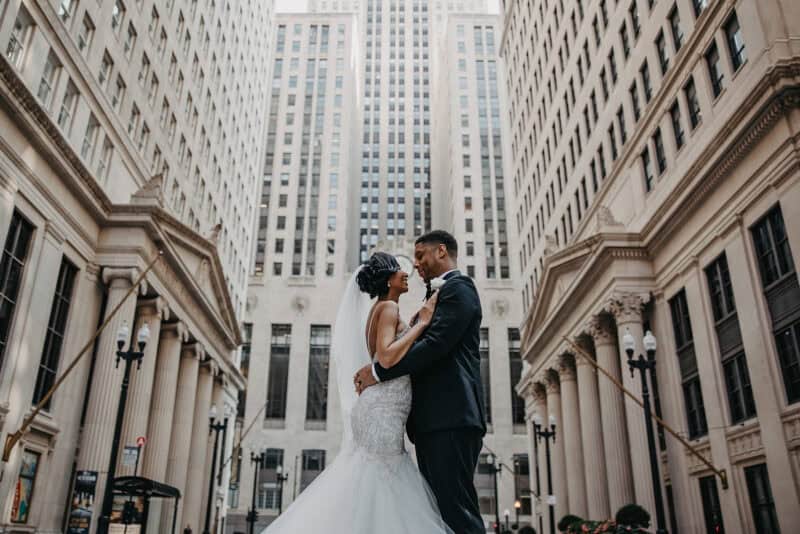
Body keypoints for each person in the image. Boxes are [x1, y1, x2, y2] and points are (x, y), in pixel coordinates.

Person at [261, 250, 452, 533]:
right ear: (389, 279)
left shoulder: (380, 309)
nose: (405, 273)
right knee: (383, 482)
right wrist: (422, 323)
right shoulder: (388, 309)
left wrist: (413, 325)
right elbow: (386, 357)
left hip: (380, 407)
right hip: (382, 410)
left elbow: (387, 353)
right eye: (399, 270)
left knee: (373, 481)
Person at [355, 230, 486, 533]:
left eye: (419, 255)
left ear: (441, 251)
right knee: (439, 510)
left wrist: (377, 373)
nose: (415, 265)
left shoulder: (460, 289)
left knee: (456, 510)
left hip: (450, 417)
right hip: (432, 421)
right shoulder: (431, 297)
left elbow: (437, 344)